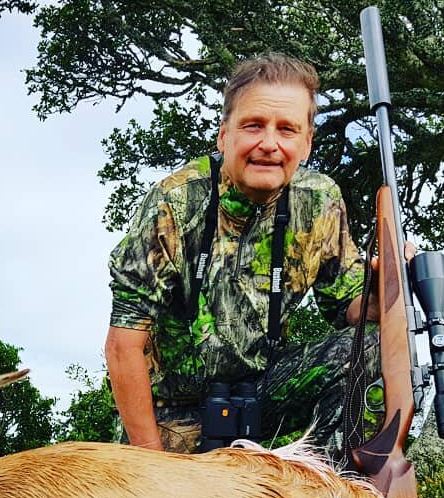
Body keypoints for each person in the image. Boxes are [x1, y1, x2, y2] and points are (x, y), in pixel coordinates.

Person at [106, 54, 385, 462]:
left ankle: (326, 489)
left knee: (375, 346)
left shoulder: (320, 199)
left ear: (306, 143)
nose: (269, 144)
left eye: (287, 129)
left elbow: (354, 308)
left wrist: (388, 282)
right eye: (253, 125)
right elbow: (123, 345)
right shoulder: (175, 201)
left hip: (262, 393)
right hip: (173, 412)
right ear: (224, 136)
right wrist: (153, 468)